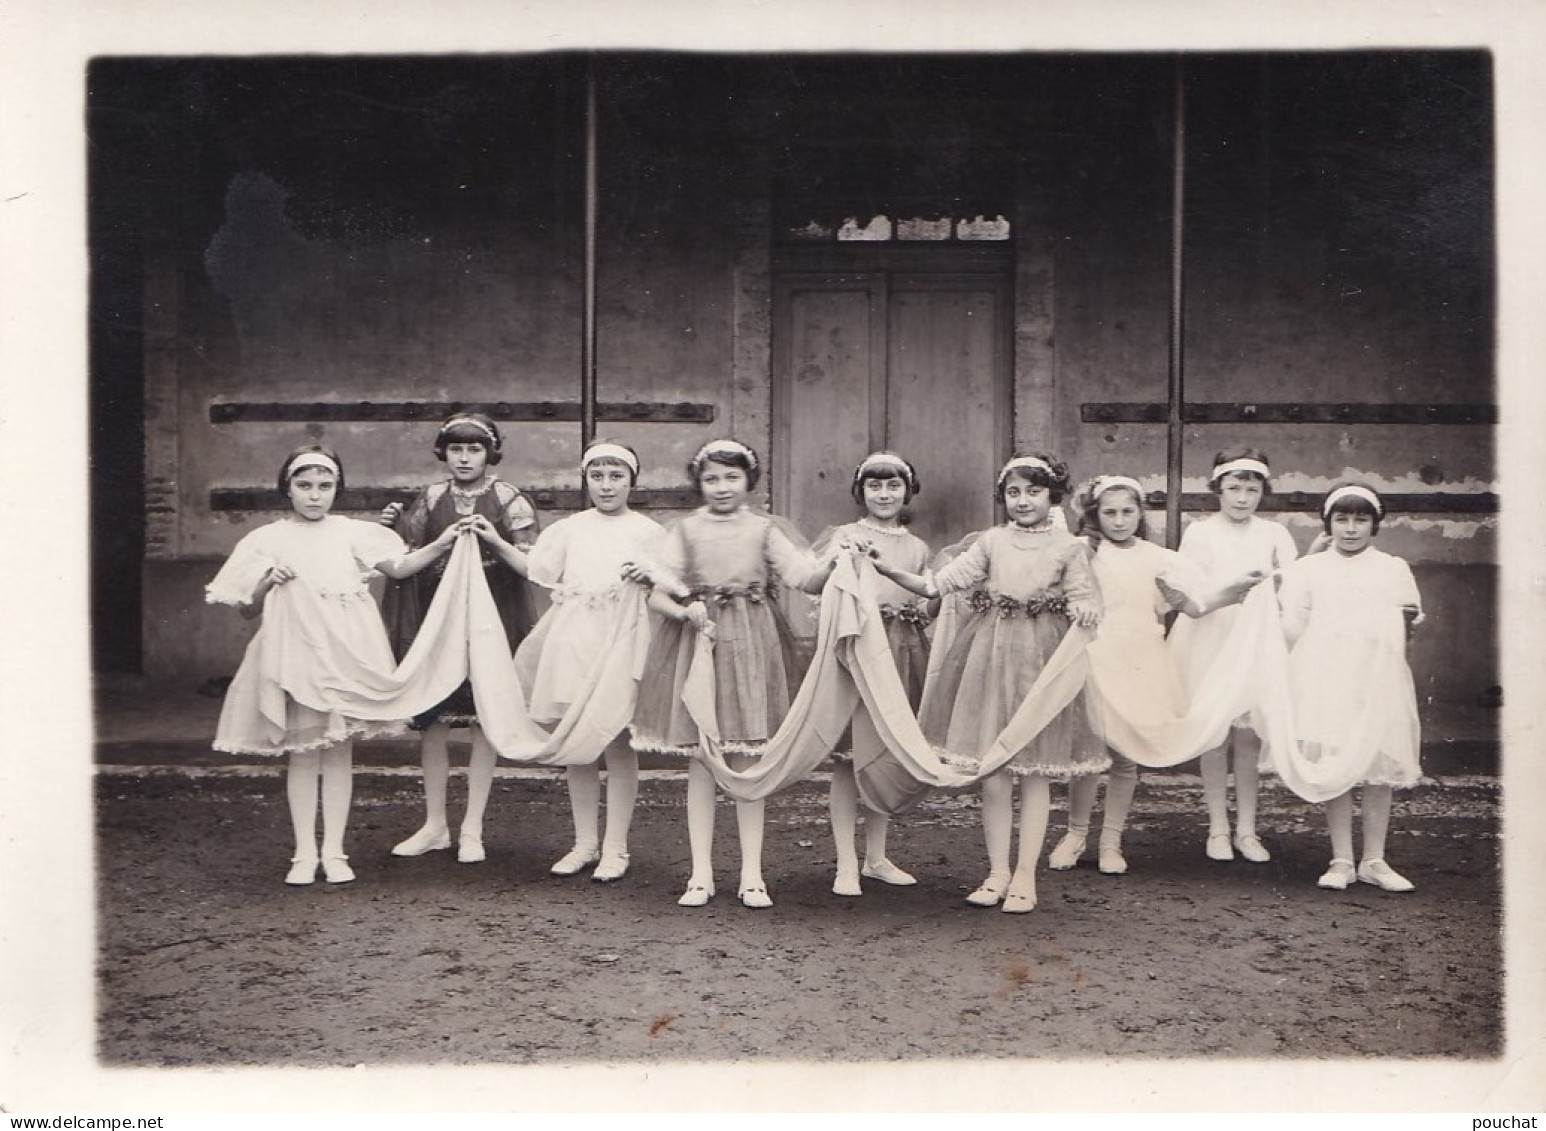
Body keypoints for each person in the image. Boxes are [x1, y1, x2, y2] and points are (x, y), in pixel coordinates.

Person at [206, 445, 465, 885]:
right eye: (304, 486)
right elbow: (247, 609)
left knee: (340, 753)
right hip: (297, 653)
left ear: (336, 490)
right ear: (287, 489)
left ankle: (336, 851)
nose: (314, 496)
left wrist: (443, 542)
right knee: (304, 755)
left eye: (324, 487)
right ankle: (304, 854)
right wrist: (269, 581)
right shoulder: (268, 539)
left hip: (345, 652)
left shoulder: (352, 533)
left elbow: (399, 569)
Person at [872, 452, 1103, 914]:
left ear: (1051, 495)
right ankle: (997, 872)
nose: (1023, 501)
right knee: (992, 771)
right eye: (1013, 492)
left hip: (1040, 664)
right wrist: (890, 570)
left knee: (1034, 771)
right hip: (989, 661)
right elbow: (940, 584)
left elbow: (1087, 598)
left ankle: (1024, 876)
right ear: (1003, 498)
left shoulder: (1069, 547)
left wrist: (1085, 608)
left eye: (1033, 491)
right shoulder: (993, 542)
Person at [630, 438, 837, 909]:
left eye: (731, 477)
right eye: (711, 479)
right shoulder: (685, 531)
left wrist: (839, 560)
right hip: (699, 647)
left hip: (750, 650)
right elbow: (657, 592)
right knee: (703, 762)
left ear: (749, 481)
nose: (721, 487)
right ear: (698, 482)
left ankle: (751, 874)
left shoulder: (764, 531)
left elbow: (805, 578)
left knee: (745, 764)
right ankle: (700, 874)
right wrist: (684, 612)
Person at [1049, 474, 1264, 876]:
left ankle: (1111, 840)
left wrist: (1230, 592)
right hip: (1095, 655)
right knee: (1090, 752)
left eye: (1127, 512)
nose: (1118, 521)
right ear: (1096, 514)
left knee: (1126, 757)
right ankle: (1075, 834)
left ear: (1140, 514)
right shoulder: (1083, 551)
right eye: (1109, 513)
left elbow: (1192, 604)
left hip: (1141, 659)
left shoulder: (1155, 556)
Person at [380, 412, 540, 865]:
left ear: (490, 453)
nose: (465, 458)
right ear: (443, 453)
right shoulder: (429, 498)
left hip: (495, 616)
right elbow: (405, 556)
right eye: (456, 449)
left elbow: (531, 562)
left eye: (474, 449)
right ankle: (434, 824)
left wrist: (492, 541)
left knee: (483, 719)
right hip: (441, 618)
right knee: (433, 720)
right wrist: (392, 526)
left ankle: (473, 827)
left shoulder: (510, 500)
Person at [514, 439, 664, 883]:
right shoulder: (569, 529)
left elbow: (668, 586)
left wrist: (649, 577)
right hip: (576, 640)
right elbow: (538, 572)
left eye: (616, 476)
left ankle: (616, 847)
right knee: (578, 743)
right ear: (585, 481)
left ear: (632, 481)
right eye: (597, 476)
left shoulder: (650, 533)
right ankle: (584, 842)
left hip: (622, 640)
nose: (606, 485)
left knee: (616, 741)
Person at [1279, 483, 1424, 893]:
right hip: (1326, 678)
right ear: (1327, 523)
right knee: (1335, 764)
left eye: (1361, 519)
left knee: (1378, 767)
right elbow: (1293, 624)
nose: (1351, 528)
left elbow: (1408, 620)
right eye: (1341, 519)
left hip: (1375, 678)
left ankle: (1374, 860)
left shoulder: (1393, 568)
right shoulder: (1308, 569)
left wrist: (1403, 623)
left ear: (1375, 524)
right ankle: (1342, 858)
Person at [1167, 447, 1300, 864]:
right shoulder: (1201, 532)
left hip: (1257, 641)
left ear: (1263, 491)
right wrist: (1227, 589)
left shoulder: (1274, 534)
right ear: (1218, 489)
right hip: (1212, 635)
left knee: (1248, 736)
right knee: (1214, 734)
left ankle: (1246, 829)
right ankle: (1217, 828)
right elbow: (1189, 587)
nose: (1242, 498)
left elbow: (1293, 587)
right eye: (1234, 488)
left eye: (1251, 488)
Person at [818, 451, 933, 897]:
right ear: (860, 492)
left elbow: (924, 601)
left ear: (907, 491)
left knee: (883, 756)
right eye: (874, 486)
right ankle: (846, 863)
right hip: (858, 652)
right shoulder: (844, 536)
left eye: (892, 486)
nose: (884, 494)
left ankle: (877, 857)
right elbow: (826, 589)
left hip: (902, 652)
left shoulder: (917, 547)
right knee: (850, 760)